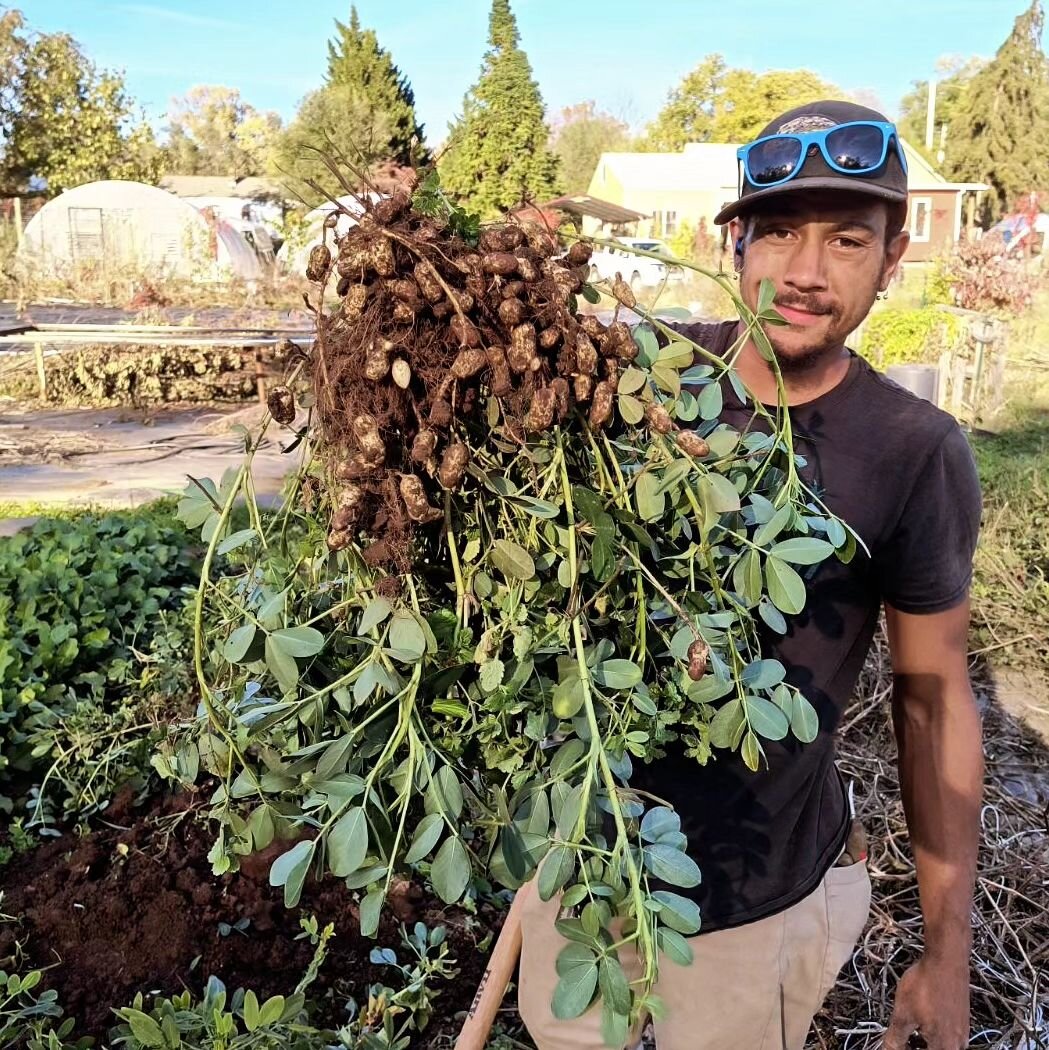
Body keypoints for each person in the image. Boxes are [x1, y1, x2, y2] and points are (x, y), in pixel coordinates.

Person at [517, 100, 983, 1050]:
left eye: (848, 240)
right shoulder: (639, 373)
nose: (805, 273)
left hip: (753, 900)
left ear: (893, 261)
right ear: (733, 246)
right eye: (777, 232)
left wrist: (945, 953)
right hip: (579, 862)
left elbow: (933, 703)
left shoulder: (912, 449)